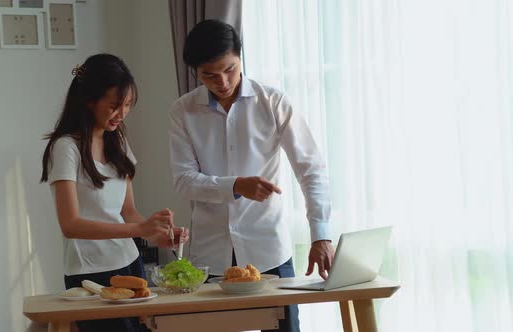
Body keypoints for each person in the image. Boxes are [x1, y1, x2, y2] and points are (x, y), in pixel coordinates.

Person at [168, 20, 333, 332]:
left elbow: (310, 168)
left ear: (240, 56)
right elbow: (184, 181)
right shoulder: (183, 111)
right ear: (195, 73)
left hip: (268, 249)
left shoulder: (273, 103)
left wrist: (320, 234)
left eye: (229, 69)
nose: (223, 81)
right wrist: (236, 186)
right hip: (211, 256)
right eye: (210, 75)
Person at [41, 53, 187, 332]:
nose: (122, 113)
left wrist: (157, 235)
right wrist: (138, 228)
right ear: (89, 101)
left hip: (129, 263)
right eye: (114, 105)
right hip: (90, 272)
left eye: (128, 105)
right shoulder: (66, 148)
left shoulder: (117, 140)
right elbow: (70, 225)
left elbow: (127, 212)